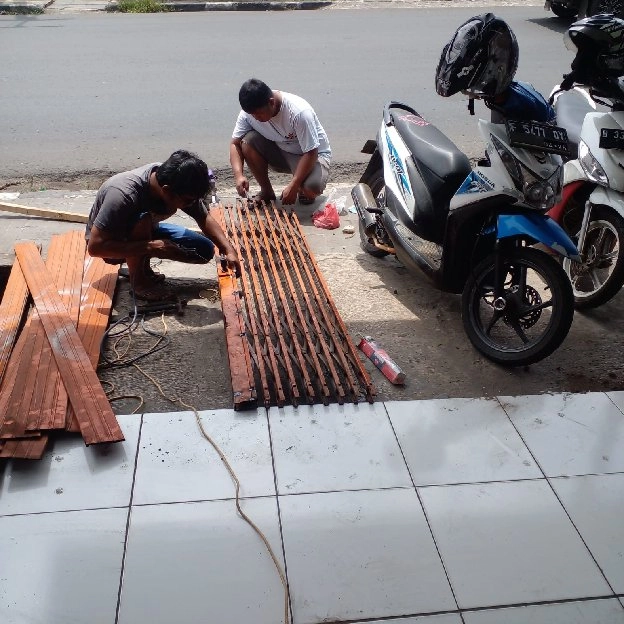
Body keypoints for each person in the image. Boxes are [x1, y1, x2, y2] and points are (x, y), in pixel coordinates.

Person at [85, 149, 240, 302]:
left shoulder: (176, 179)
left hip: (148, 230)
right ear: (167, 191)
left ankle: (142, 265)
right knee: (142, 219)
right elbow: (95, 248)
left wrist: (228, 249)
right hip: (111, 243)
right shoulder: (123, 194)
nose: (191, 204)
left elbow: (203, 217)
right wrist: (151, 246)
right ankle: (139, 283)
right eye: (188, 201)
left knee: (203, 250)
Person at [230, 78, 332, 206]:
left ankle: (302, 187)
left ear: (271, 102)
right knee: (247, 142)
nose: (256, 118)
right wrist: (239, 175)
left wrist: (294, 185)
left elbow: (311, 152)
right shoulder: (248, 114)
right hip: (281, 150)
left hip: (311, 156)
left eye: (259, 114)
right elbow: (234, 143)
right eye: (252, 114)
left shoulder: (299, 113)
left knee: (311, 189)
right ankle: (267, 191)